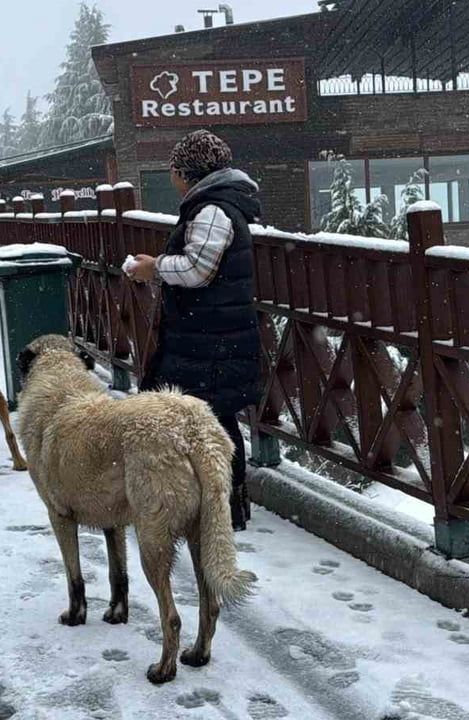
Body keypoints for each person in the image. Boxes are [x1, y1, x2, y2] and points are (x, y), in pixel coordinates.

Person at [128, 130, 261, 530]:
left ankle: (223, 511)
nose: (171, 177)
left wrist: (154, 267)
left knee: (212, 421)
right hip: (211, 335)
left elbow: (197, 269)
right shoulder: (216, 204)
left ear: (186, 173)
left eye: (173, 169)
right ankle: (218, 508)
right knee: (211, 419)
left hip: (211, 339)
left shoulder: (213, 209)